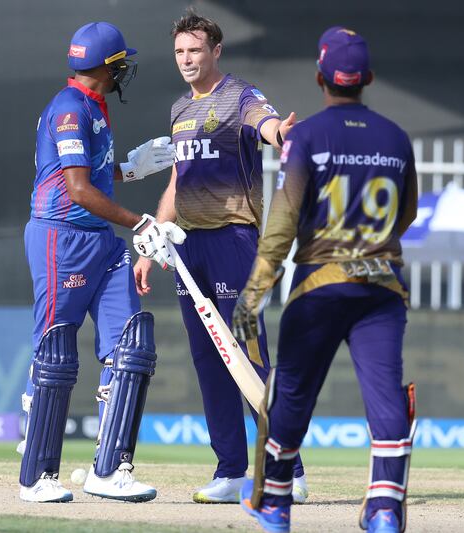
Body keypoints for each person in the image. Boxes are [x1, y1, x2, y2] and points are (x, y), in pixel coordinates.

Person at [233, 28, 419, 533]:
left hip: (319, 286)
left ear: (320, 77)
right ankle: (383, 510)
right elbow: (406, 215)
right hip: (382, 289)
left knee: (290, 393)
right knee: (384, 397)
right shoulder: (396, 139)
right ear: (369, 80)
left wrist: (255, 292)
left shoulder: (308, 136)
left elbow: (283, 223)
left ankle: (274, 505)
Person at [132, 11, 308, 504]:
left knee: (250, 355)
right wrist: (153, 243)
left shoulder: (240, 96)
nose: (186, 60)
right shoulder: (178, 110)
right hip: (187, 248)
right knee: (209, 359)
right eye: (179, 52)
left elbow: (267, 124)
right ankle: (231, 470)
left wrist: (281, 134)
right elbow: (176, 181)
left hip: (234, 240)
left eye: (194, 51)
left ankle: (286, 469)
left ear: (215, 51)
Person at [18, 21, 185, 504]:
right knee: (56, 352)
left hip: (101, 243)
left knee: (131, 345)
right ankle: (37, 475)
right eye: (121, 63)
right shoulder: (69, 108)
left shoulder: (94, 105)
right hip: (61, 236)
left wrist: (131, 166)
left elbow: (95, 172)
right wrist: (140, 223)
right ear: (107, 66)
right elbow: (77, 188)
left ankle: (109, 469)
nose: (125, 70)